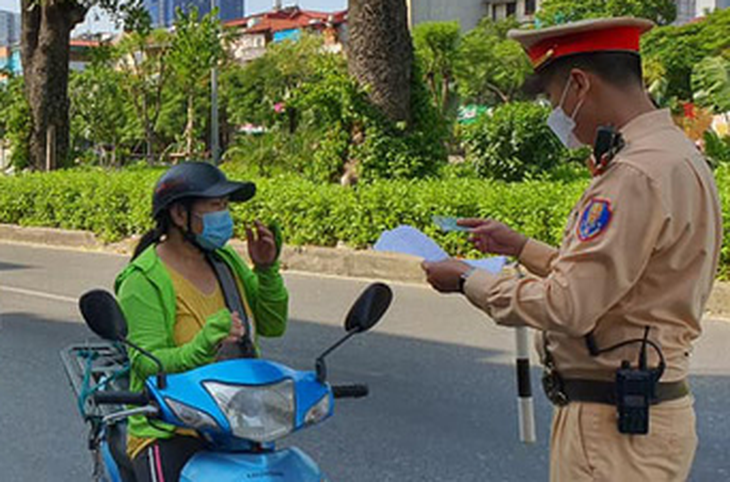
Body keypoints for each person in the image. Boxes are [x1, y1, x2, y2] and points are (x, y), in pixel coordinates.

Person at [422, 17, 722, 482]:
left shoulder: (633, 175)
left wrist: (467, 280)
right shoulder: (678, 157)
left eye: (552, 100)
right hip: (643, 417)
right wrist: (521, 246)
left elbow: (570, 304)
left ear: (579, 84)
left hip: (611, 431)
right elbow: (622, 281)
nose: (556, 116)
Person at [115, 161, 289, 481]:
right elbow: (146, 362)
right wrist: (203, 345)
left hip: (236, 421)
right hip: (168, 428)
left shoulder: (226, 263)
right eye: (216, 206)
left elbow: (273, 324)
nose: (226, 216)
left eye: (226, 206)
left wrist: (266, 270)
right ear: (180, 215)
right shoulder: (143, 279)